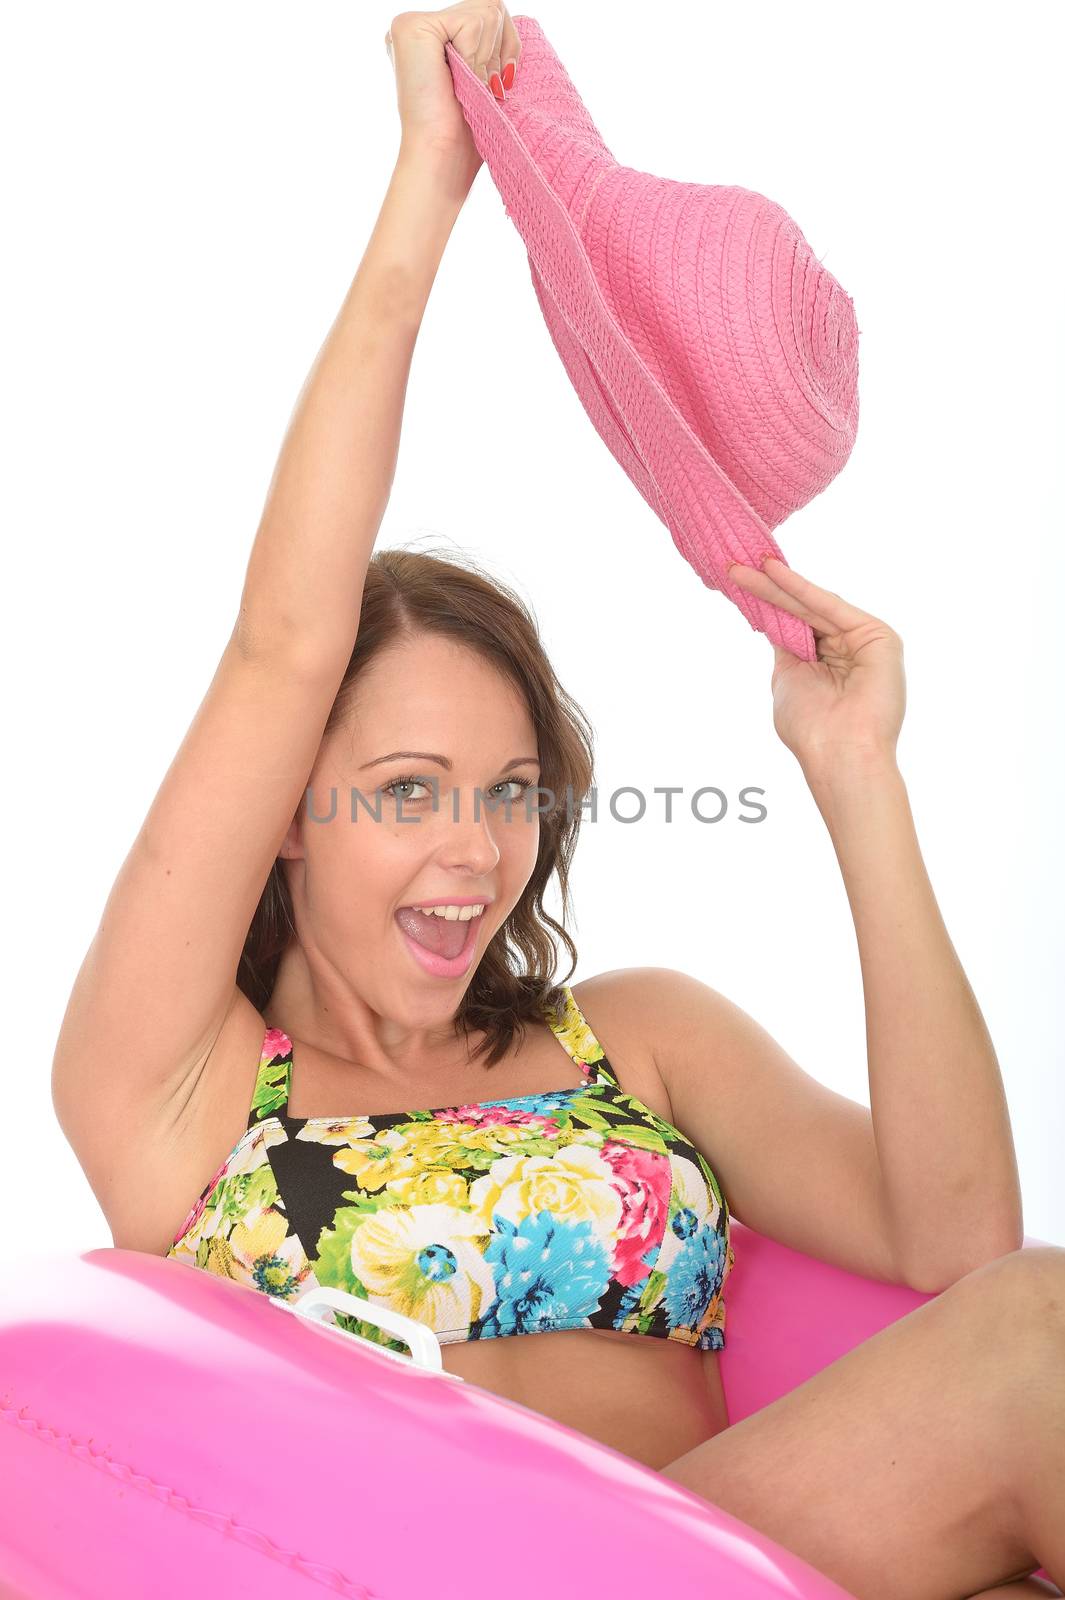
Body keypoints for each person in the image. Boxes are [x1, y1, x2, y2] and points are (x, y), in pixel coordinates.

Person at [50, 6, 1063, 1595]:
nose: (475, 846)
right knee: (1042, 1346)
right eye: (404, 791)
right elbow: (283, 638)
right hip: (409, 1573)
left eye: (510, 791)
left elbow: (952, 1242)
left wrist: (856, 774)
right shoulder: (176, 1094)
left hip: (730, 1553)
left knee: (1030, 1342)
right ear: (287, 813)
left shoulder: (636, 1037)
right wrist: (428, 184)